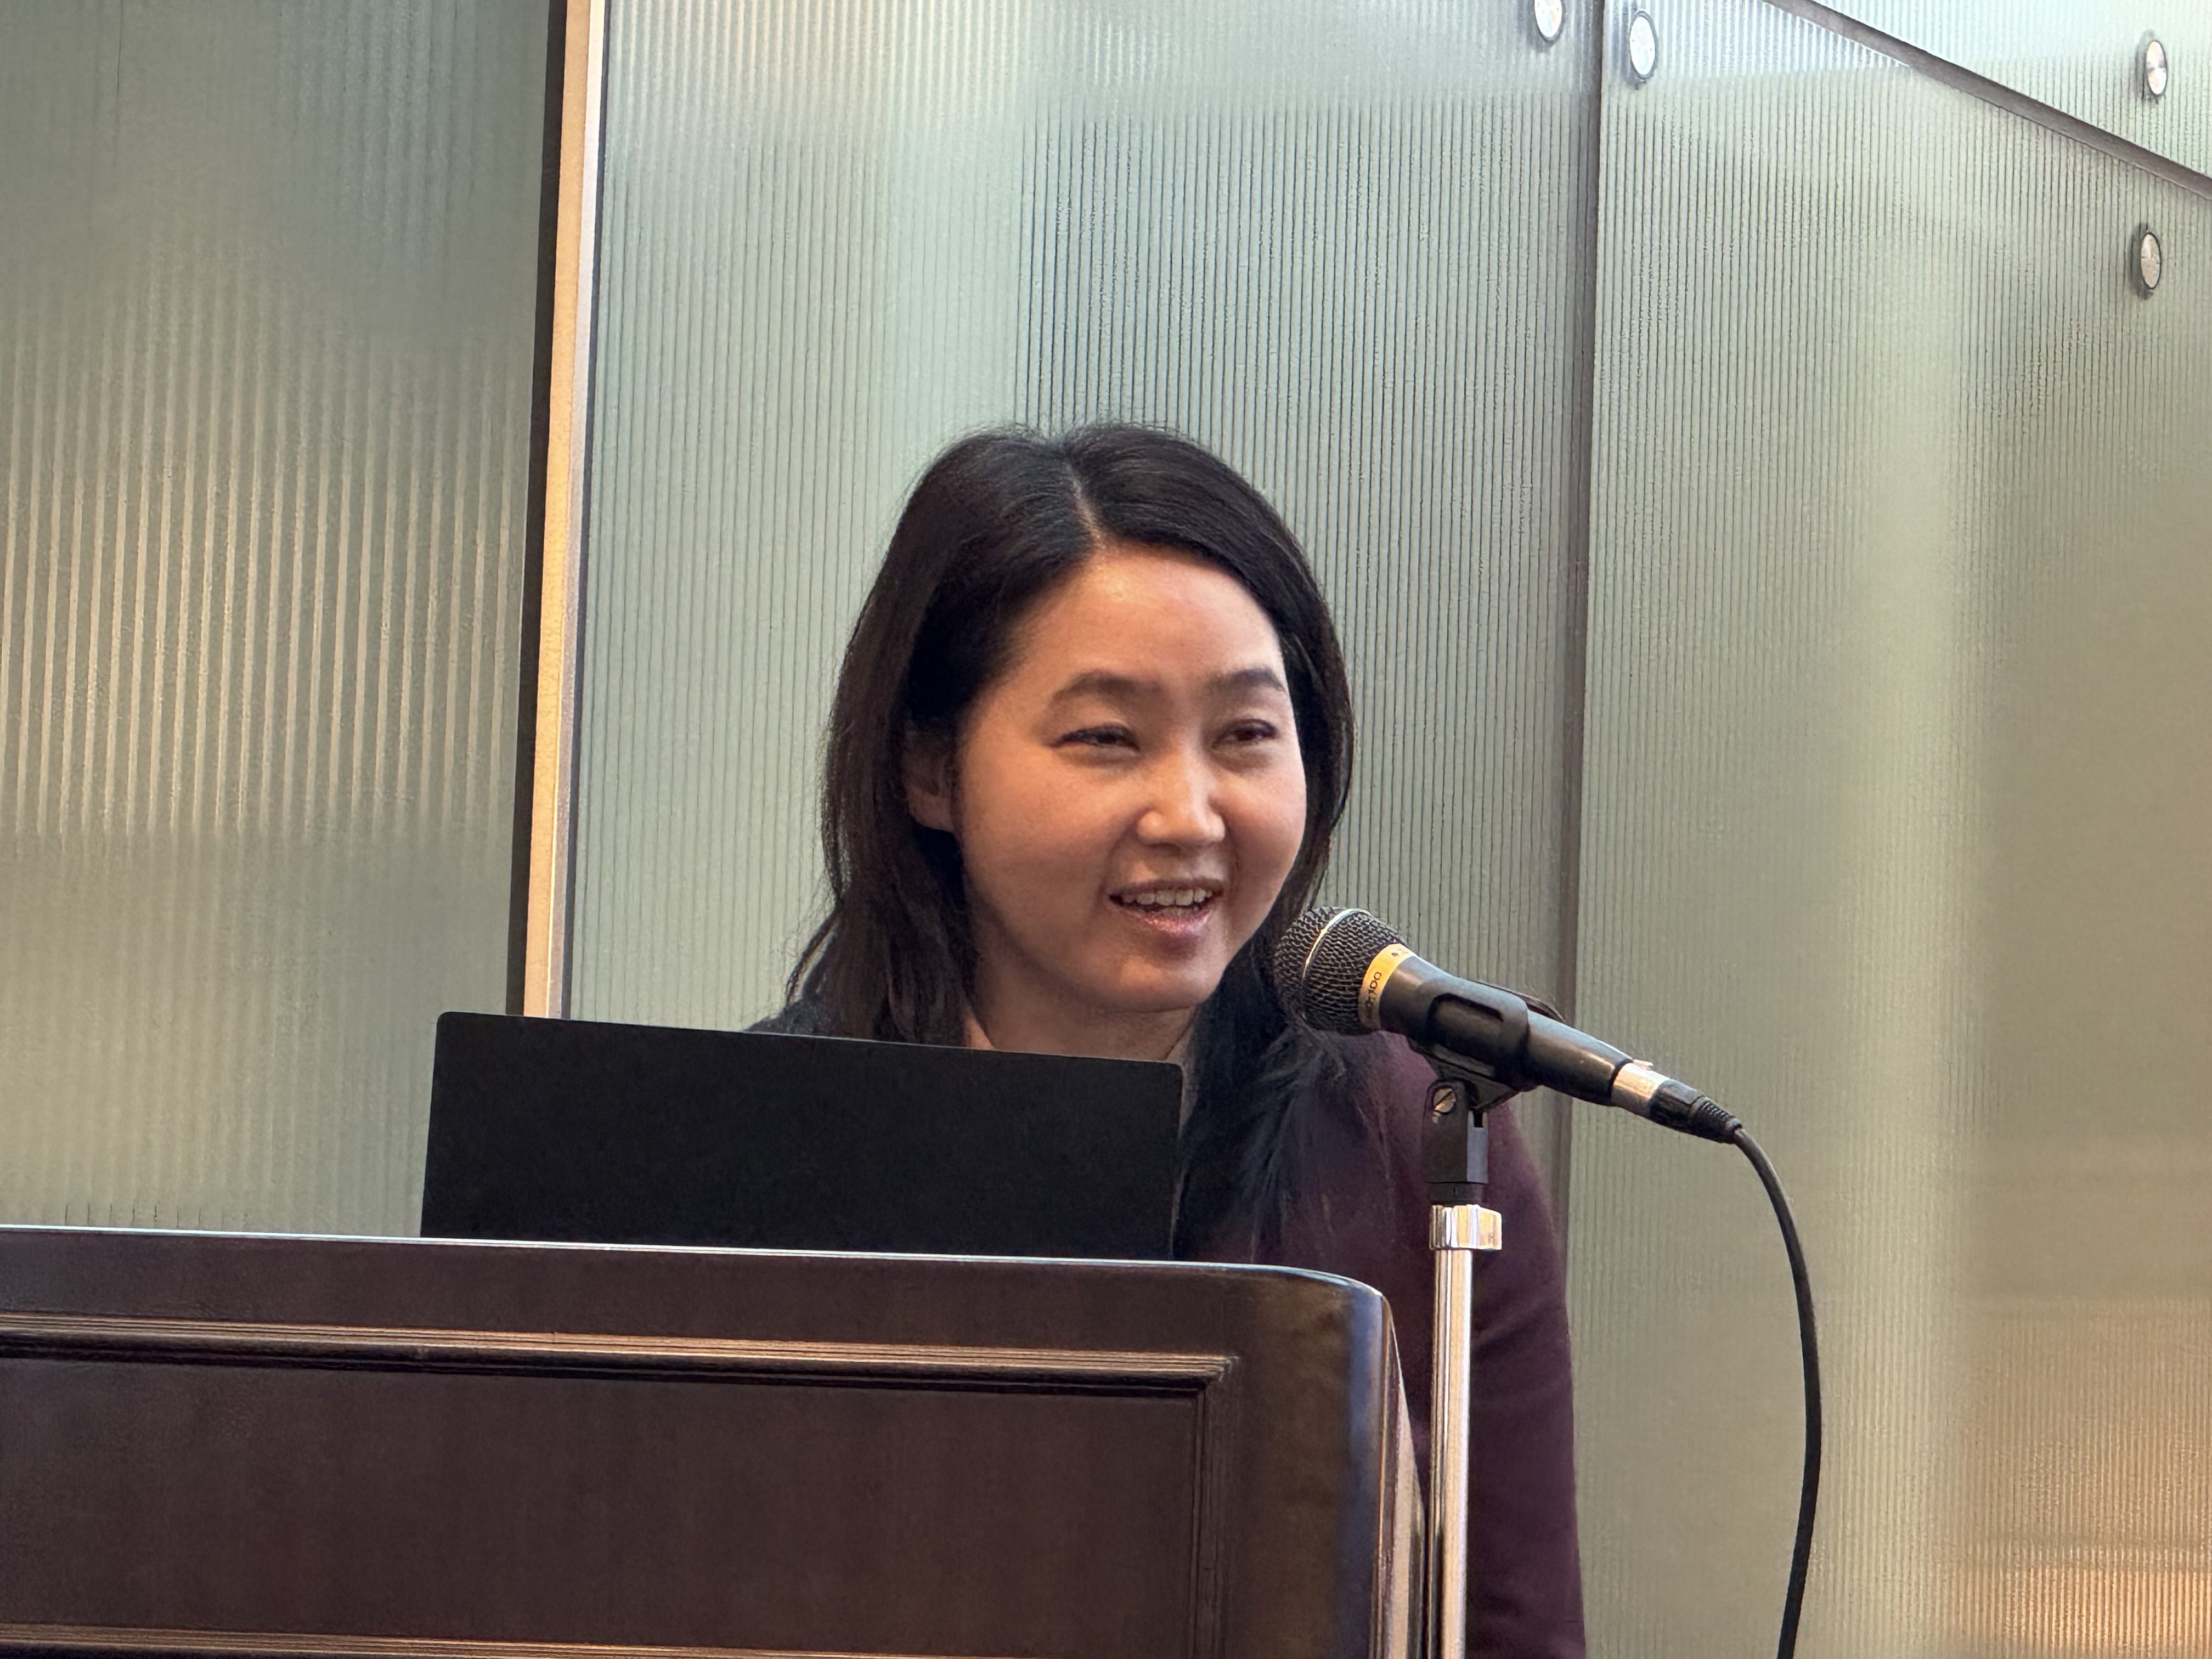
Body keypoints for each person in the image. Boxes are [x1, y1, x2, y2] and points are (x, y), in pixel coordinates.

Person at [762, 424, 1584, 1657]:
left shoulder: (1420, 1140)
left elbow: (1517, 1630)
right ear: (929, 770)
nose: (1189, 815)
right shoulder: (756, 1151)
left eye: (1246, 734)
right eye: (1107, 737)